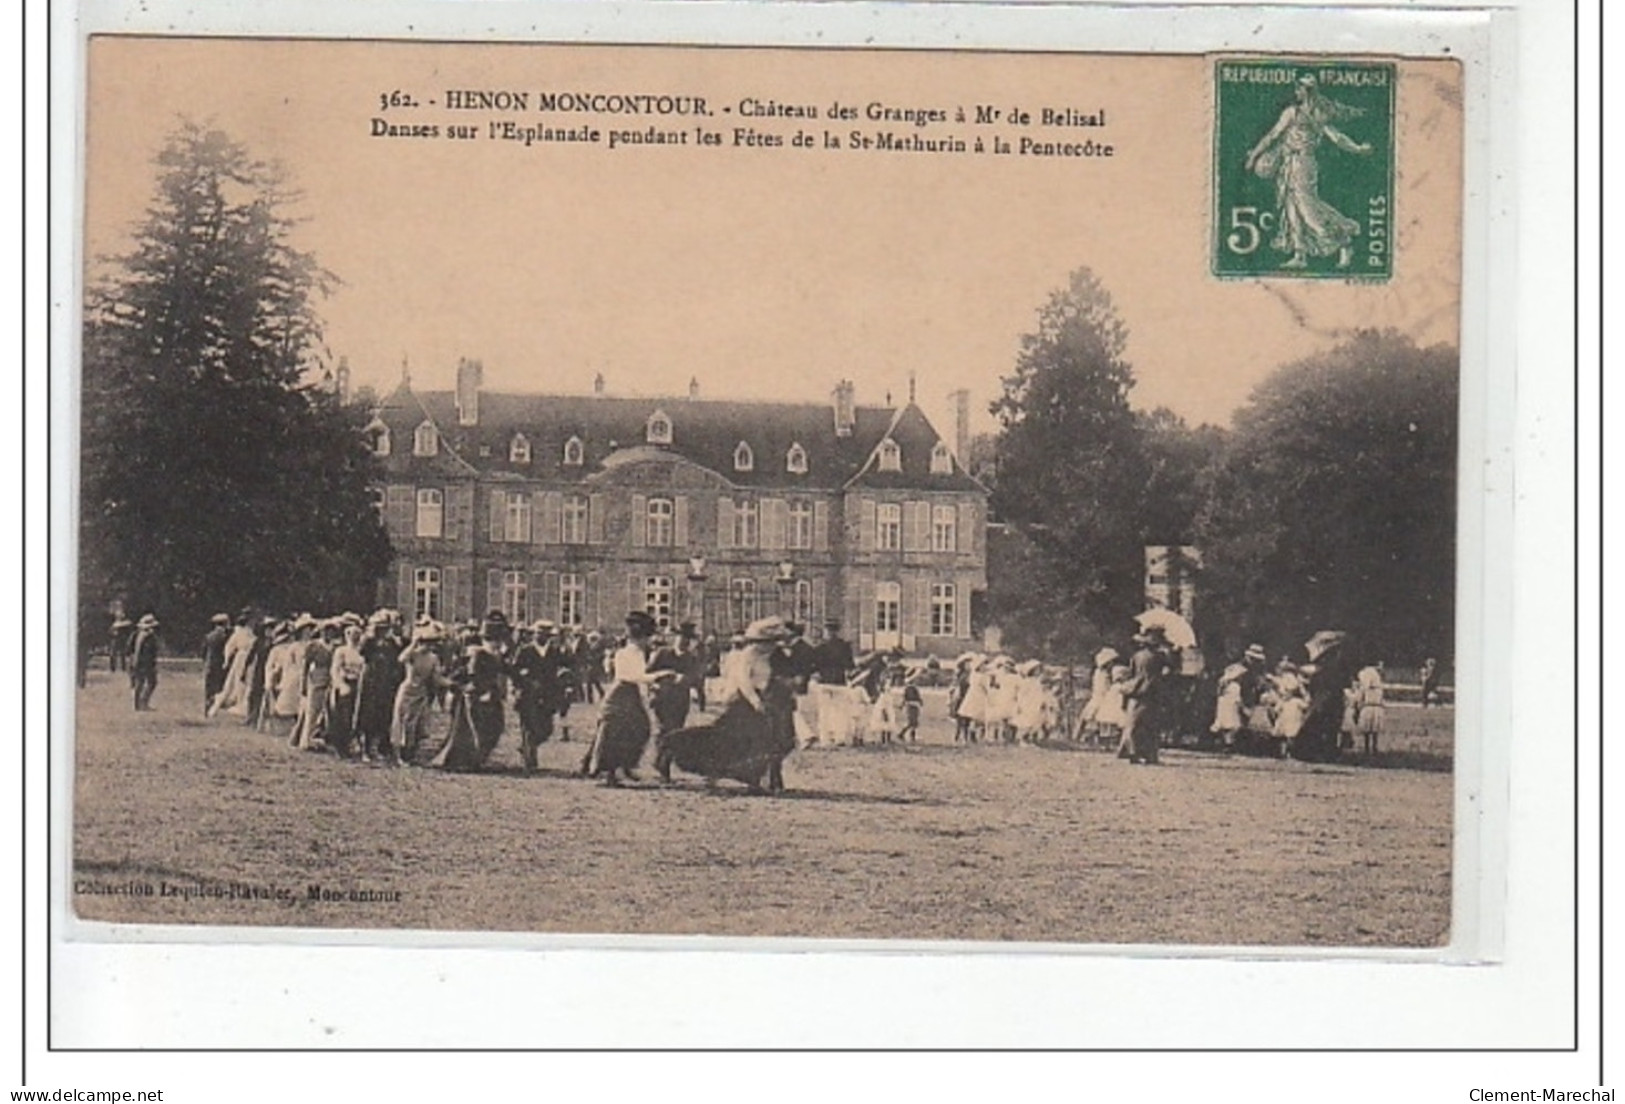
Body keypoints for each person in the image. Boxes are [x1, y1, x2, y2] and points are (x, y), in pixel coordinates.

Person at [1244, 73, 1373, 269]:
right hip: (1288, 163)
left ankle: (1344, 242)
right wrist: (1255, 154)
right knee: (1291, 209)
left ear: (1307, 91)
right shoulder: (1295, 112)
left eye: (1299, 89)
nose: (1296, 92)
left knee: (1308, 208)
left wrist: (1357, 149)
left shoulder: (1309, 113)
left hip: (1304, 164)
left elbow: (1335, 137)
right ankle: (1300, 255)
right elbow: (1274, 136)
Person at [659, 616, 795, 792]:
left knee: (771, 742)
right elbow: (743, 681)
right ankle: (676, 748)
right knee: (731, 740)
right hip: (745, 703)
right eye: (768, 643)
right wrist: (755, 702)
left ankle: (764, 778)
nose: (771, 646)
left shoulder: (774, 655)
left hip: (767, 701)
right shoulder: (747, 655)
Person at [582, 611, 673, 785]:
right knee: (621, 731)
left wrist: (652, 683)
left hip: (629, 694)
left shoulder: (637, 652)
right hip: (621, 695)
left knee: (638, 729)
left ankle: (624, 767)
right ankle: (615, 770)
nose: (648, 641)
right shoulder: (626, 653)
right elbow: (632, 676)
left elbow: (638, 676)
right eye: (647, 638)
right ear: (640, 638)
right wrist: (657, 676)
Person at [510, 619, 569, 772]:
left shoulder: (554, 652)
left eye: (546, 635)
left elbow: (564, 667)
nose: (542, 637)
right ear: (534, 634)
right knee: (529, 726)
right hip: (528, 695)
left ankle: (528, 747)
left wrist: (563, 678)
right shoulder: (525, 650)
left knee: (546, 729)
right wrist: (525, 680)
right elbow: (515, 671)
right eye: (539, 634)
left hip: (548, 695)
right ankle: (530, 762)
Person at [1118, 626, 1169, 764]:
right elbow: (1167, 671)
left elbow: (1132, 673)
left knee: (1134, 722)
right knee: (1151, 725)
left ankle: (1132, 752)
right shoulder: (1160, 656)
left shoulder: (1137, 656)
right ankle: (1150, 755)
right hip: (1152, 691)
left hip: (1136, 690)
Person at [327, 618, 366, 757]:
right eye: (351, 634)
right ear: (346, 636)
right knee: (342, 716)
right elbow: (335, 670)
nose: (354, 638)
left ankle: (352, 743)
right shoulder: (341, 651)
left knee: (355, 716)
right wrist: (340, 684)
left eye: (357, 635)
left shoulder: (361, 652)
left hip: (358, 685)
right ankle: (340, 747)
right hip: (344, 684)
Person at [200, 613, 231, 716]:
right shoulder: (226, 637)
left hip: (209, 665)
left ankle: (207, 708)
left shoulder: (208, 636)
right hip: (220, 665)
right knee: (218, 688)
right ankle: (214, 709)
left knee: (209, 688)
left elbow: (203, 652)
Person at [1354, 659, 1386, 758]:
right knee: (1370, 729)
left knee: (1371, 729)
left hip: (1372, 704)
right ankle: (1370, 748)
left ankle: (1371, 748)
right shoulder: (1369, 675)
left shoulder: (1371, 678)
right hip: (1370, 704)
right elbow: (1363, 691)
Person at [128, 614, 160, 711]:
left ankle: (138, 704)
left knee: (139, 683)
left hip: (136, 662)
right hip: (145, 663)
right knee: (151, 682)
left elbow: (130, 647)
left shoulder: (136, 634)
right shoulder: (149, 637)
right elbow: (149, 652)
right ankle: (143, 703)